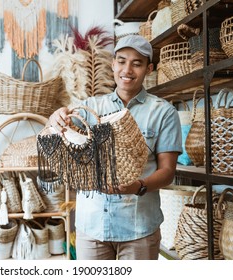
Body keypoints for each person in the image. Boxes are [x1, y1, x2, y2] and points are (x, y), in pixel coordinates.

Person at [47, 34, 182, 260]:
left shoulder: (163, 112)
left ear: (149, 69)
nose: (127, 70)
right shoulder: (90, 107)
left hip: (139, 229)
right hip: (92, 227)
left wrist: (138, 186)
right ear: (113, 64)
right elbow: (64, 134)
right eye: (121, 61)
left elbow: (167, 172)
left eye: (136, 63)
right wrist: (55, 118)